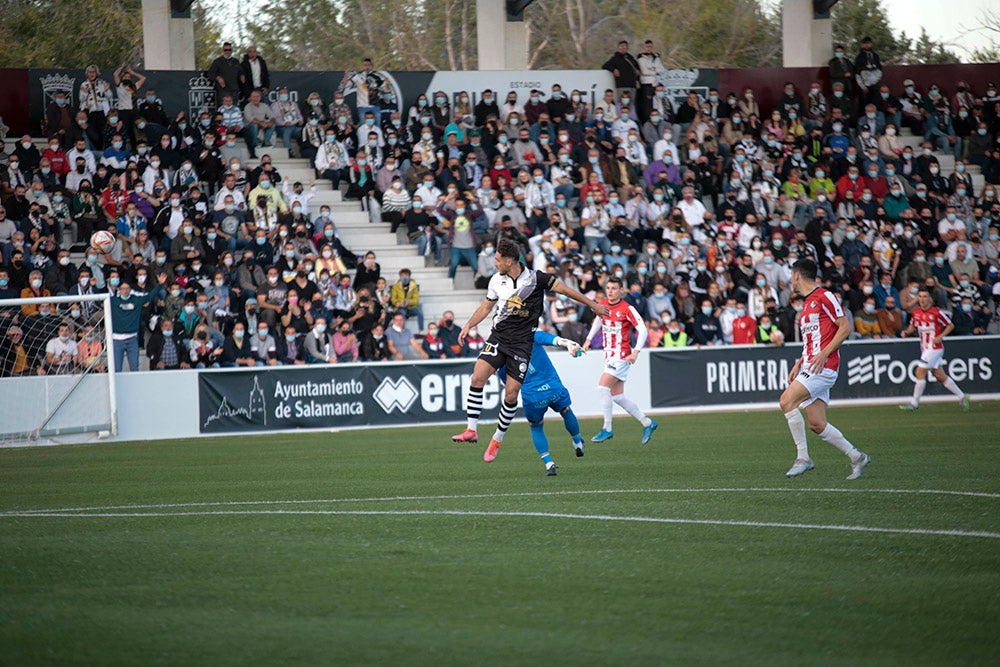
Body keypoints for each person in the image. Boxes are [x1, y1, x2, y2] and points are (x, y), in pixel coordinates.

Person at [451, 238, 608, 462]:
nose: (495, 263)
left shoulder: (537, 279)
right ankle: (471, 429)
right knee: (477, 377)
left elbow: (567, 291)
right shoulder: (496, 280)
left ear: (509, 260)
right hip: (499, 337)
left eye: (497, 260)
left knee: (511, 394)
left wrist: (593, 305)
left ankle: (497, 439)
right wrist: (469, 324)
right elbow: (487, 305)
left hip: (522, 343)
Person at [780, 259, 871, 480]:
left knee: (786, 401)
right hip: (811, 364)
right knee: (817, 424)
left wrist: (824, 353)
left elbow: (845, 327)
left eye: (791, 274)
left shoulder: (825, 296)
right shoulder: (807, 302)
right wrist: (799, 362)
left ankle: (803, 458)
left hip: (824, 366)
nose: (790, 278)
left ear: (797, 276)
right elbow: (812, 340)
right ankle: (857, 456)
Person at [492, 331, 587, 475]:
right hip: (553, 387)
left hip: (533, 395)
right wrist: (568, 344)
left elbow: (510, 386)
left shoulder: (503, 354)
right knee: (566, 411)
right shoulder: (532, 334)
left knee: (536, 427)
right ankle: (578, 443)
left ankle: (549, 463)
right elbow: (554, 340)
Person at [582, 276, 658, 444]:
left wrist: (636, 352)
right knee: (617, 396)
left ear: (621, 291)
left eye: (614, 288)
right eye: (608, 288)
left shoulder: (627, 308)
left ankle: (607, 429)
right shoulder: (603, 304)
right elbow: (598, 320)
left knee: (603, 388)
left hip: (621, 355)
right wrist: (588, 339)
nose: (610, 291)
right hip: (608, 355)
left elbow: (643, 331)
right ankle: (648, 423)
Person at [899, 288, 971, 412]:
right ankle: (963, 397)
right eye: (920, 296)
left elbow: (950, 325)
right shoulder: (915, 313)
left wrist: (941, 336)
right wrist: (906, 332)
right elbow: (912, 328)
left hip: (934, 348)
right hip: (925, 348)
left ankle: (914, 403)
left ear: (930, 299)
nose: (921, 299)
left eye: (924, 296)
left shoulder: (937, 313)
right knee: (939, 376)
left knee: (919, 372)